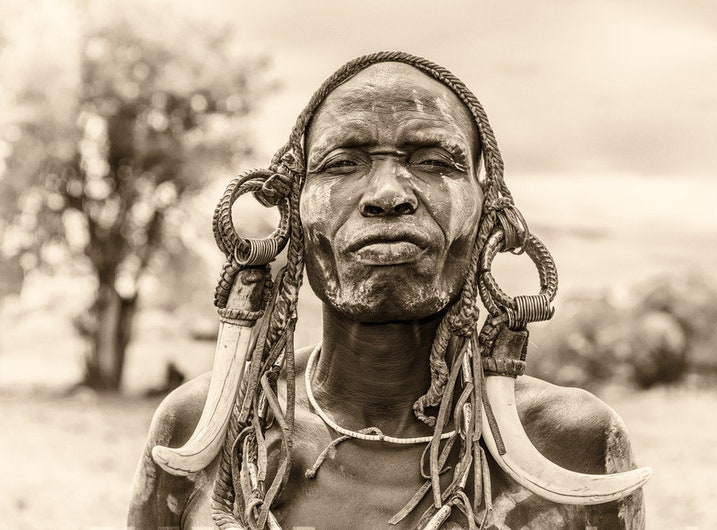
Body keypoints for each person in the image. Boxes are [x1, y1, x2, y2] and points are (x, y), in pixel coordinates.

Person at [128, 52, 649, 529]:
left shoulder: (572, 444)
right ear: (291, 207)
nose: (387, 195)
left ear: (489, 208)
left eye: (434, 161)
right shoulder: (199, 432)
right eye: (342, 163)